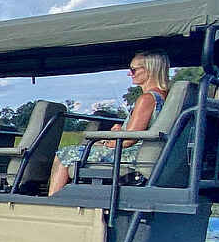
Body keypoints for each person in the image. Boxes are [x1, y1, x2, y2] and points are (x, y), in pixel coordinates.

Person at [48, 51, 170, 196]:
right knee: (83, 148)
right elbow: (140, 130)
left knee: (64, 153)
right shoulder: (164, 96)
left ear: (150, 69)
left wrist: (109, 141)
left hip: (129, 155)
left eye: (133, 69)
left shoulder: (147, 98)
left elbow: (128, 140)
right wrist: (119, 132)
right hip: (142, 151)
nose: (129, 74)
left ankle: (52, 201)